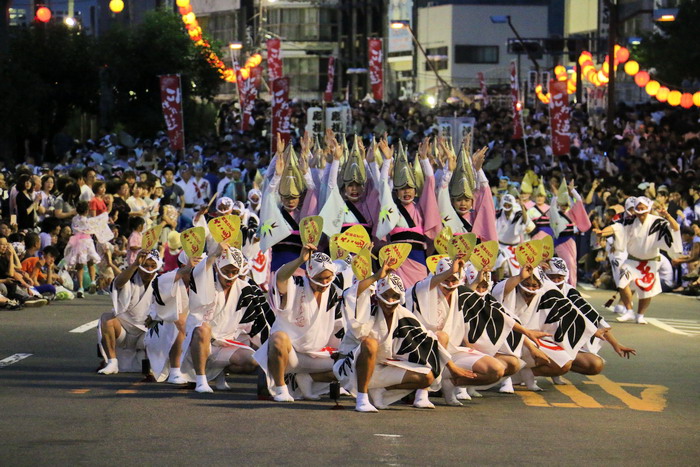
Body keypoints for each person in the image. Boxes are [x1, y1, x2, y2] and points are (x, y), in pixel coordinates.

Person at [334, 265, 474, 412]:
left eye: (394, 296)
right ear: (378, 294)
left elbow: (428, 340)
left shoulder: (403, 314)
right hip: (353, 368)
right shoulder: (367, 309)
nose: (390, 300)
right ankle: (362, 399)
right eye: (386, 295)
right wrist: (375, 277)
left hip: (383, 369)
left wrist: (452, 367)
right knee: (370, 343)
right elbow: (351, 295)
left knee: (427, 377)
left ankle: (381, 391)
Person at [181, 244, 275, 393]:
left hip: (225, 345)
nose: (230, 276)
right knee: (203, 329)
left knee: (252, 361)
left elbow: (256, 324)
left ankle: (220, 372)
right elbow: (197, 274)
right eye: (226, 271)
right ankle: (201, 380)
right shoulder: (207, 281)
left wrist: (271, 352)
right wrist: (214, 254)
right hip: (200, 342)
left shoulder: (245, 289)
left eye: (234, 272)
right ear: (218, 268)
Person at [254, 246, 343, 402]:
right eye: (319, 278)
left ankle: (306, 378)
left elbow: (338, 328)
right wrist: (300, 260)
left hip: (315, 356)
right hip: (289, 354)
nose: (324, 283)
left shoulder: (333, 291)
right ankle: (281, 387)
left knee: (351, 365)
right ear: (308, 275)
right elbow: (281, 278)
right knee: (278, 338)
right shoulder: (295, 284)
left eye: (328, 278)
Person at [544, 257, 636, 382]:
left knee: (595, 364)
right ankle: (524, 373)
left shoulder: (570, 292)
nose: (555, 280)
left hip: (561, 341)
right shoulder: (536, 288)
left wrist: (616, 345)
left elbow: (594, 319)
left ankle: (557, 367)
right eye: (552, 276)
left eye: (559, 277)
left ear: (565, 276)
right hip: (537, 339)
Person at [594, 196, 682, 324]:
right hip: (632, 261)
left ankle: (640, 315)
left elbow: (675, 228)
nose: (640, 211)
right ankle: (629, 310)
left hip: (650, 261)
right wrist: (602, 232)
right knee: (622, 282)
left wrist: (667, 216)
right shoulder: (629, 222)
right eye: (638, 208)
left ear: (648, 209)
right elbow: (615, 228)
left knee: (647, 291)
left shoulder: (657, 222)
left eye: (643, 208)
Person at [98, 249, 162, 375]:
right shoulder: (130, 277)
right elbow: (118, 283)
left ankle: (154, 365)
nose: (149, 269)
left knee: (165, 327)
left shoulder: (161, 282)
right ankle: (112, 362)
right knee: (106, 318)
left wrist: (155, 317)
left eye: (152, 266)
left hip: (145, 333)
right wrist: (134, 265)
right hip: (123, 330)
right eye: (145, 265)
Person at [64, 201, 101, 298]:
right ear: (87, 211)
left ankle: (80, 287)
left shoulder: (74, 219)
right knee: (90, 262)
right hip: (88, 241)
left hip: (78, 242)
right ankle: (93, 281)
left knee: (79, 265)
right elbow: (93, 230)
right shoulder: (88, 221)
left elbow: (74, 230)